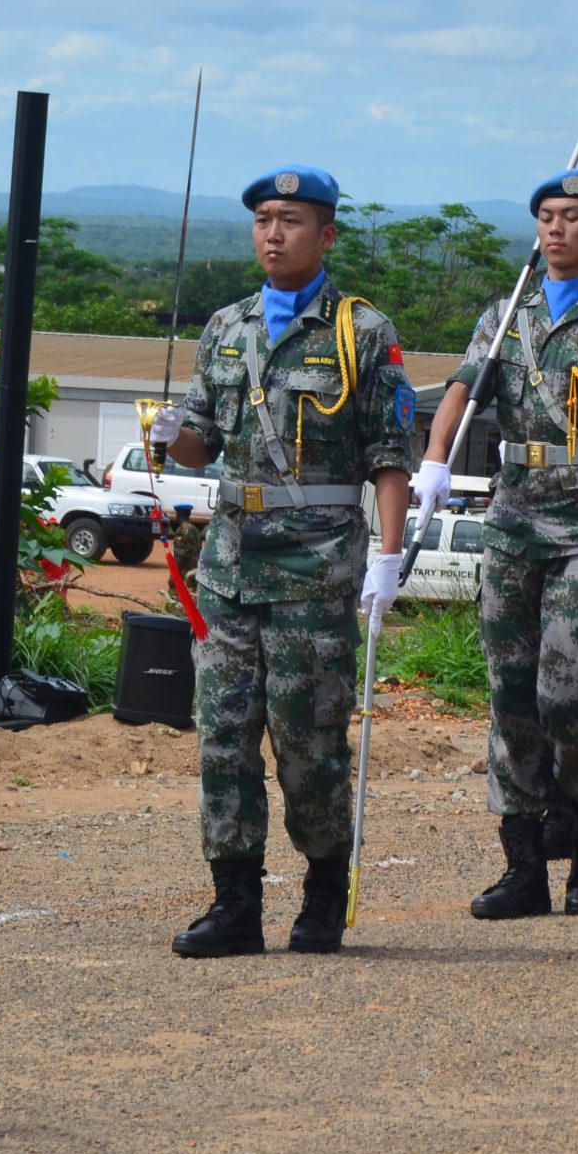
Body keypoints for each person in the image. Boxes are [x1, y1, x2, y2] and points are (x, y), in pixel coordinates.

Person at [156, 165, 411, 958]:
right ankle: (234, 905)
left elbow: (390, 453)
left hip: (317, 568)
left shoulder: (362, 332)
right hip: (231, 564)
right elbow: (203, 442)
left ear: (326, 234)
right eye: (264, 219)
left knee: (308, 741)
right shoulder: (224, 327)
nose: (274, 233)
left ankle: (323, 893)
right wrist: (172, 435)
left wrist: (390, 558)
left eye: (292, 220)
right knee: (223, 738)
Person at [420, 169, 578, 919]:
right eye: (547, 218)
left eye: (574, 218)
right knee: (510, 695)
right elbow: (465, 387)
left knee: (569, 692)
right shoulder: (507, 313)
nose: (557, 230)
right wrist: (434, 457)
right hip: (515, 520)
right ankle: (522, 865)